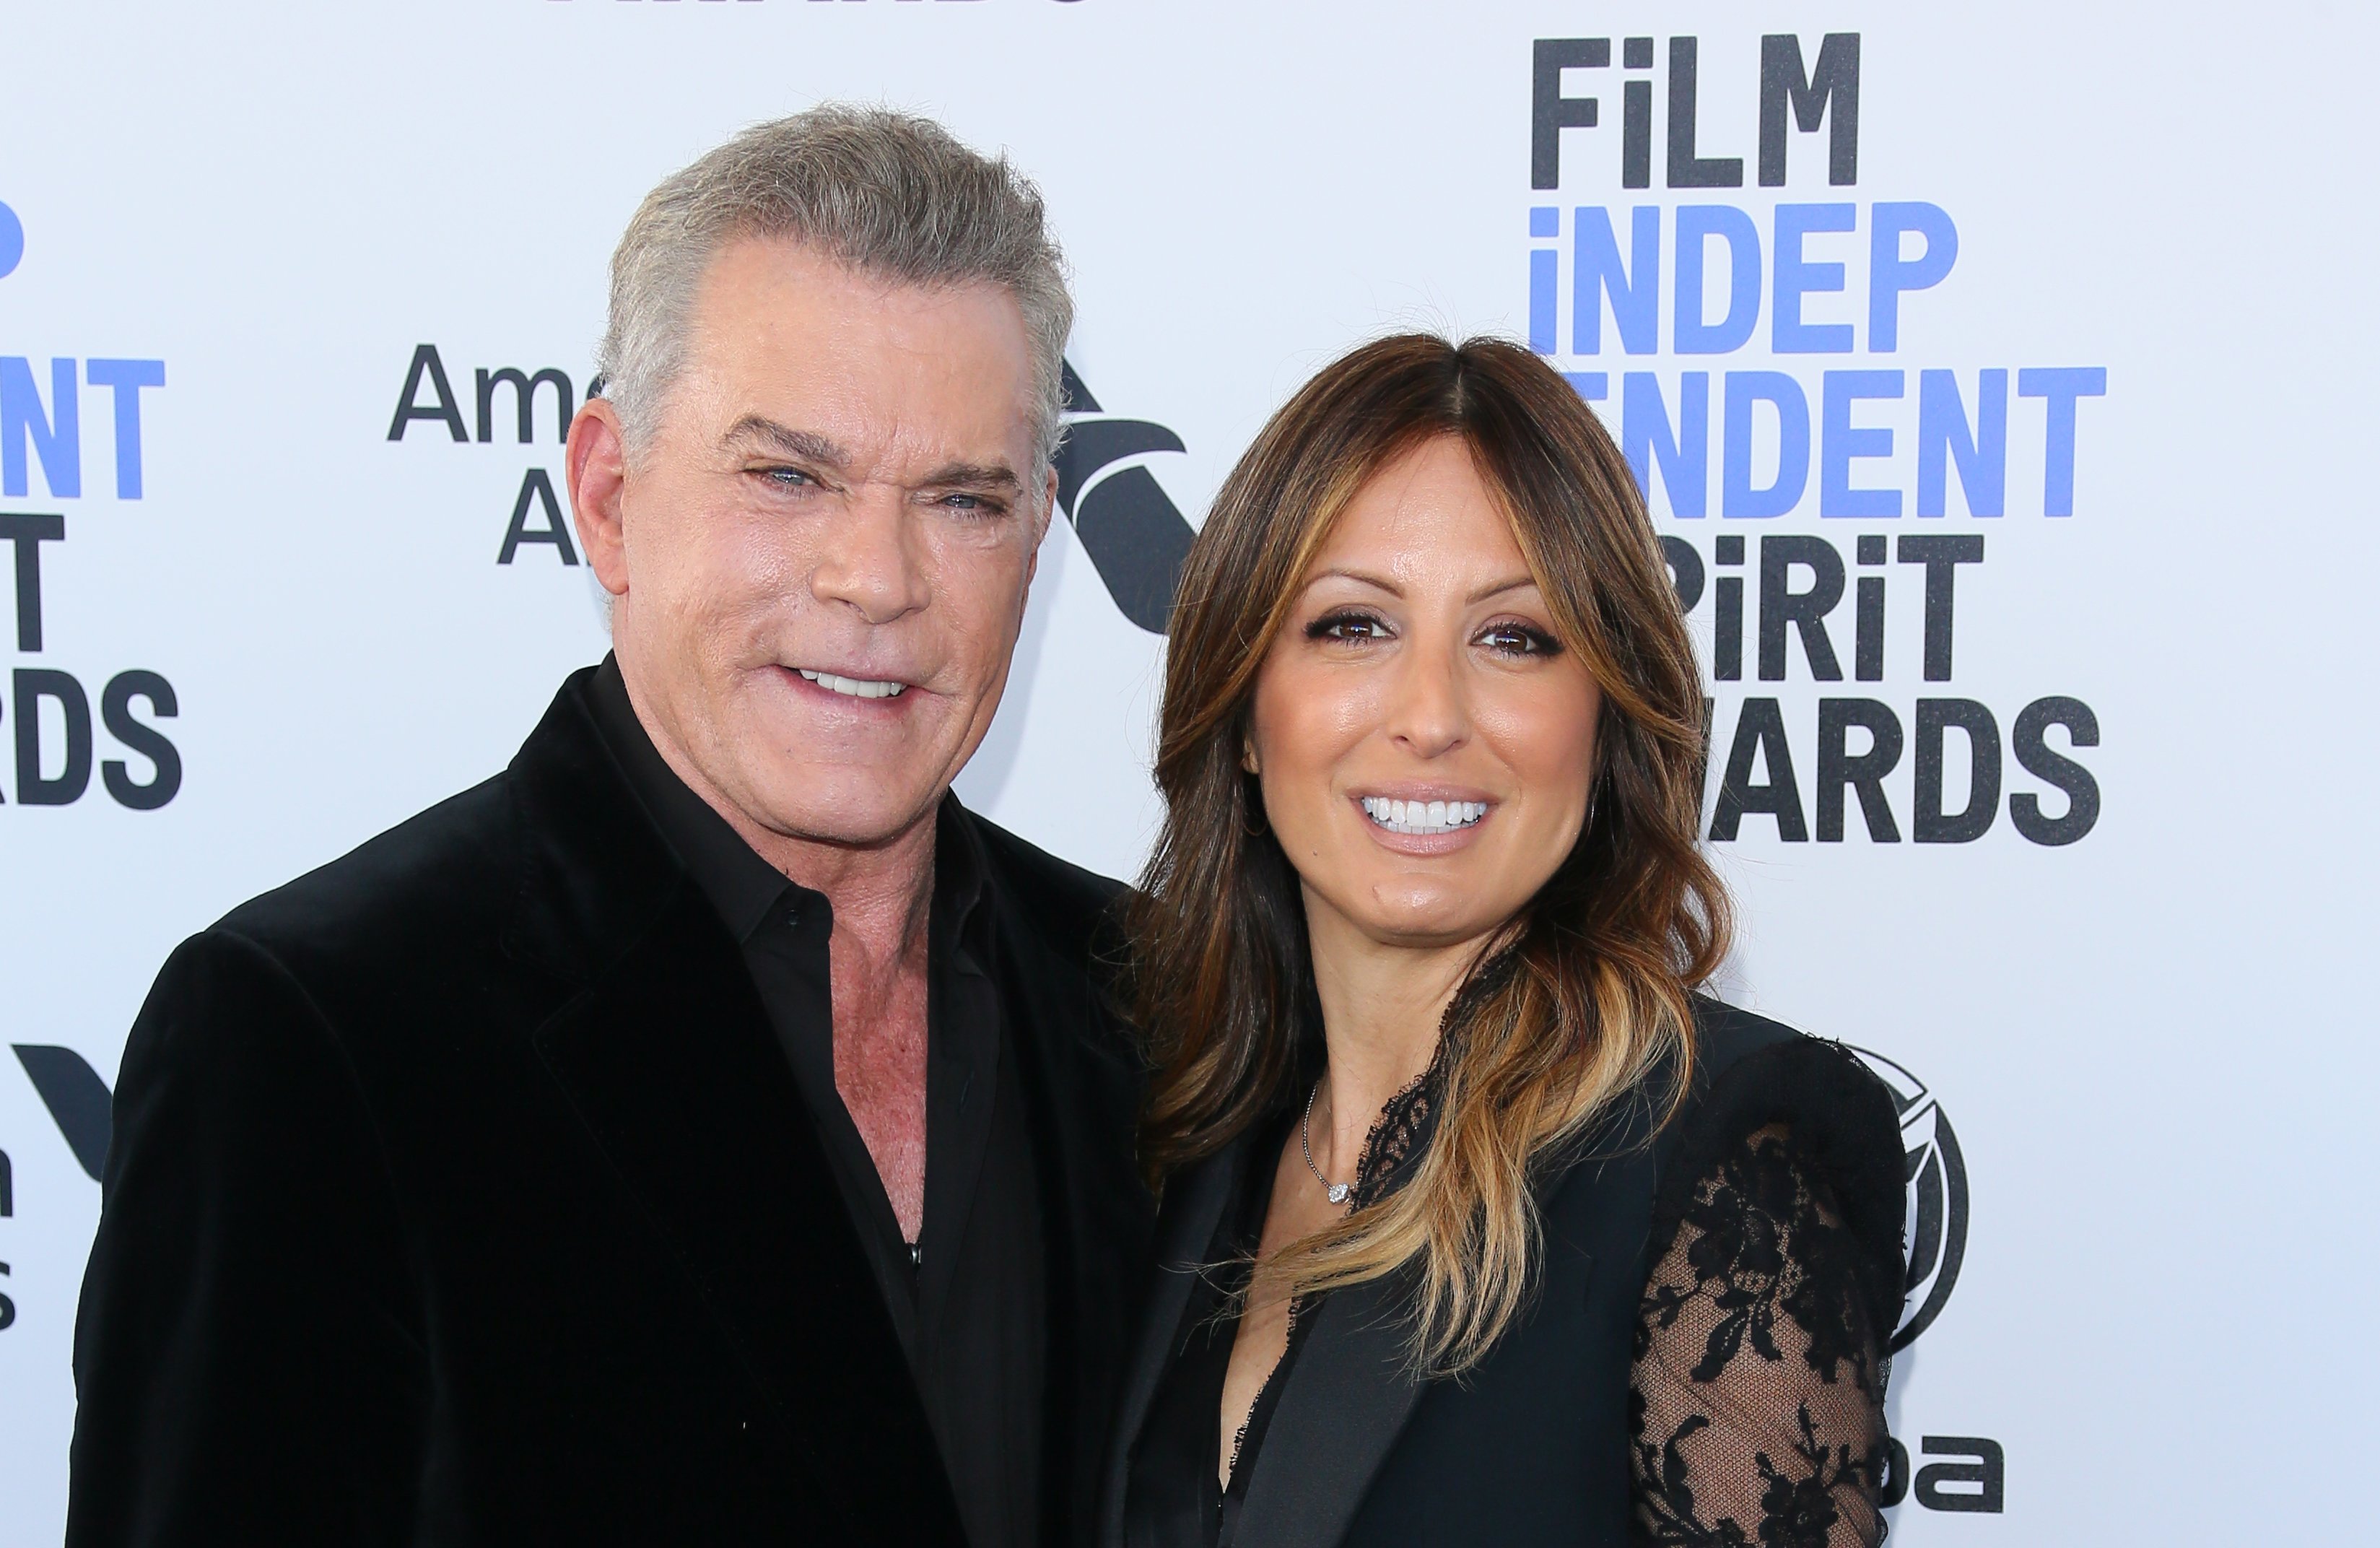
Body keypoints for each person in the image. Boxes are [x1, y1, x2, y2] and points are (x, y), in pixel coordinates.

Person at [69, 107, 1149, 1548]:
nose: (874, 579)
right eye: (789, 476)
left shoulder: (1152, 996)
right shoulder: (317, 1036)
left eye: (960, 498)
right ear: (609, 495)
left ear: (1034, 536)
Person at [1104, 335, 1908, 1548]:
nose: (1429, 716)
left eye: (1514, 638)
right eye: (1351, 626)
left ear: (1604, 717)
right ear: (1245, 714)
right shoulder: (1187, 1137)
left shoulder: (1722, 1153)